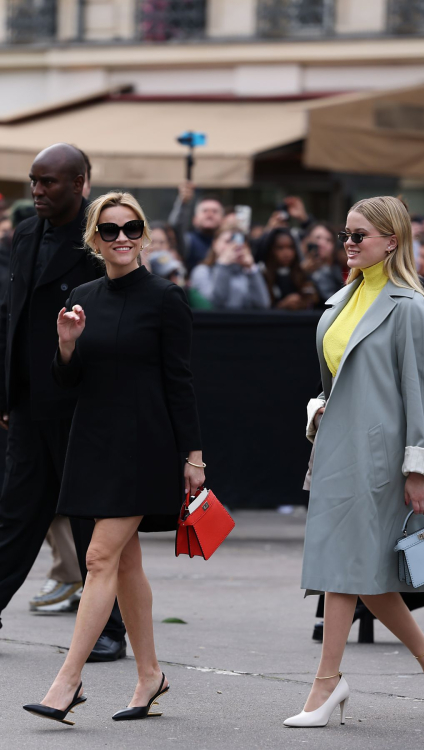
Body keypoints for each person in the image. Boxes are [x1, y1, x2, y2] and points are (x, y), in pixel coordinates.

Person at [23, 191, 204, 725]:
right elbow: (68, 382)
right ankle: (150, 675)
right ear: (94, 238)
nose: (121, 237)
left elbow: (181, 383)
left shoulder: (167, 298)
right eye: (109, 229)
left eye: (131, 228)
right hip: (94, 442)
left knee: (98, 558)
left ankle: (66, 681)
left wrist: (194, 456)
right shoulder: (82, 295)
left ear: (144, 234)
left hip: (145, 446)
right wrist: (67, 345)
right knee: (124, 564)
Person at [284, 196, 424, 729]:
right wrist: (321, 407)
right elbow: (336, 379)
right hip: (337, 449)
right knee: (358, 572)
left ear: (393, 240)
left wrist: (418, 469)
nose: (349, 244)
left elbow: (422, 396)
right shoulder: (343, 298)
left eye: (359, 235)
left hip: (382, 459)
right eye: (345, 235)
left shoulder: (410, 306)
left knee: (345, 566)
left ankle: (326, 685)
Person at [0, 143, 126, 661]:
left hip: (80, 404)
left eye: (49, 182)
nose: (37, 191)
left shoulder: (101, 240)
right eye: (33, 181)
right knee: (17, 514)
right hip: (29, 405)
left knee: (86, 519)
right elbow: (12, 318)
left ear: (81, 184)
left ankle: (109, 630)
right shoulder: (25, 232)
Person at [190, 228, 270, 310]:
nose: (233, 246)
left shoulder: (246, 273)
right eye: (228, 241)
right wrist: (223, 265)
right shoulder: (202, 271)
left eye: (238, 242)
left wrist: (251, 269)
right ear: (214, 244)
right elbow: (215, 303)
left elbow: (262, 304)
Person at [168, 181, 224, 270]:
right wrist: (183, 202)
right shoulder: (189, 241)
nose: (210, 214)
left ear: (223, 220)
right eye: (205, 211)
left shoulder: (228, 243)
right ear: (195, 220)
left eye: (215, 211)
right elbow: (176, 227)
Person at [262, 228, 318, 310]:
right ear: (271, 250)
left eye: (290, 247)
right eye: (280, 248)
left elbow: (314, 300)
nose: (286, 253)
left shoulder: (301, 273)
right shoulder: (263, 275)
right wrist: (282, 306)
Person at [301, 222, 344, 304]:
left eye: (328, 240)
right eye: (317, 238)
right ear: (305, 241)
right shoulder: (293, 268)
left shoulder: (341, 270)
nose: (322, 244)